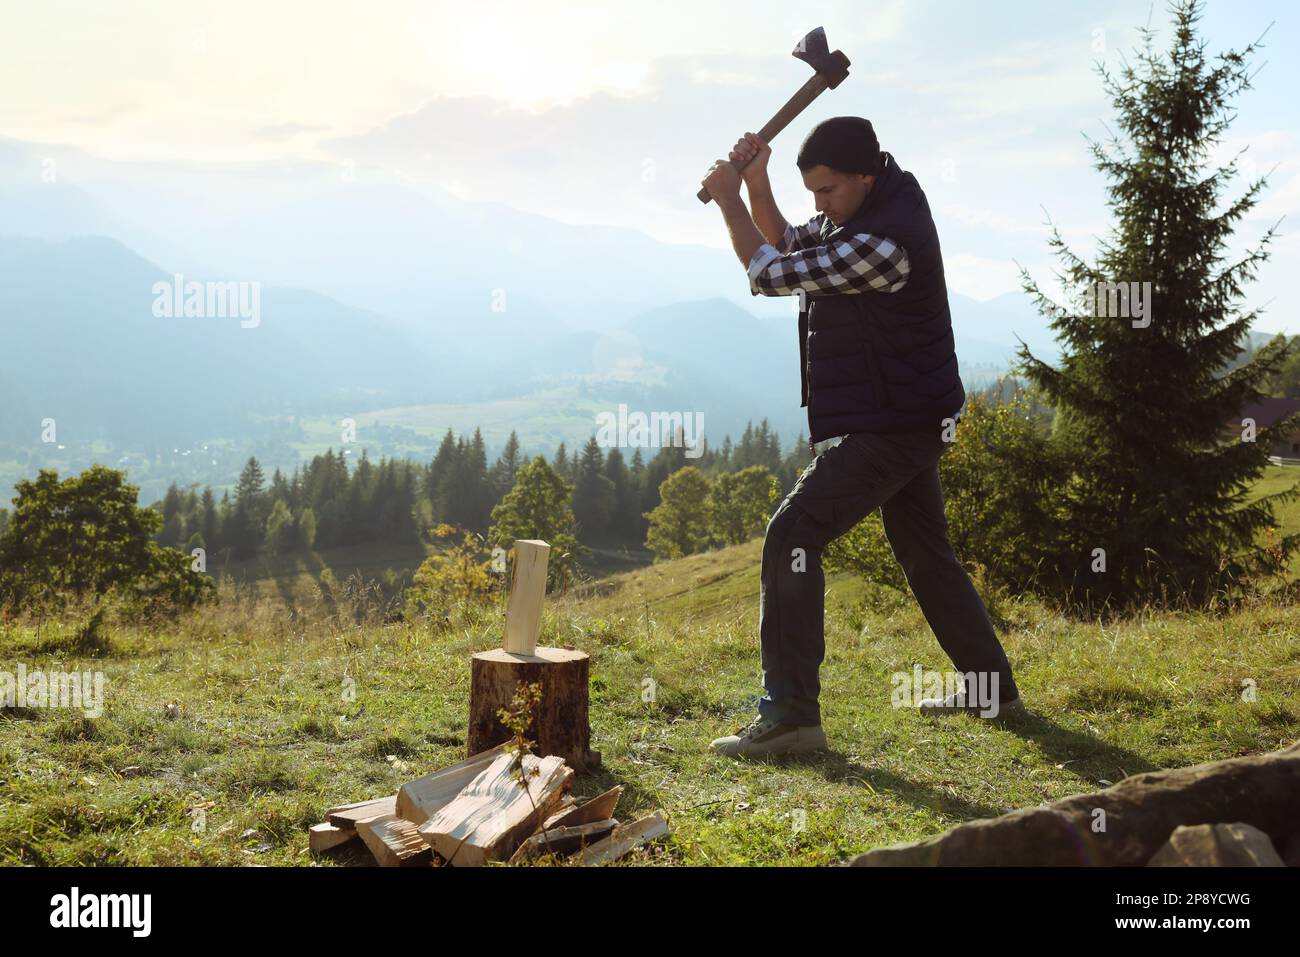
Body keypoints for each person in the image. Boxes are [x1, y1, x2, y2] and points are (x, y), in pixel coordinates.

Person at [699, 116, 1023, 759]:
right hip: (908, 414)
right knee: (925, 552)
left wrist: (731, 204)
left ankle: (791, 718)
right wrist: (759, 187)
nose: (819, 205)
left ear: (863, 177)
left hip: (895, 423)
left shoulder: (886, 241)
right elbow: (793, 244)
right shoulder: (866, 209)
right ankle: (992, 690)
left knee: (792, 537)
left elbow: (771, 274)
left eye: (827, 192)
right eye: (813, 191)